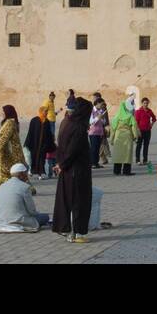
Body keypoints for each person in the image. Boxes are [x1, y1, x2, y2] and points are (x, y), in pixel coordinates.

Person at [53, 97, 93, 242]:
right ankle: (76, 233)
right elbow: (73, 150)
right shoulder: (79, 128)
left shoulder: (67, 123)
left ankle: (66, 229)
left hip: (68, 170)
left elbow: (61, 146)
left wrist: (60, 164)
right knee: (78, 202)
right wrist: (63, 164)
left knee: (67, 200)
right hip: (77, 171)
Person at [0, 163, 50, 231]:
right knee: (45, 217)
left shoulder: (2, 186)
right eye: (26, 173)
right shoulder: (25, 187)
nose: (27, 176)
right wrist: (37, 214)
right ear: (21, 175)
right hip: (18, 220)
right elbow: (31, 211)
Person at [0, 105, 24, 195]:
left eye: (3, 112)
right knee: (1, 170)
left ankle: (1, 188)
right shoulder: (8, 122)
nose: (2, 114)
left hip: (10, 153)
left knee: (8, 171)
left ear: (8, 113)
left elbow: (4, 138)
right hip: (5, 151)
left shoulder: (10, 123)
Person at [109, 98, 139, 175]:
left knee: (118, 154)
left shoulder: (116, 117)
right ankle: (126, 171)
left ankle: (116, 171)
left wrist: (111, 139)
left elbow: (113, 129)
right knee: (127, 154)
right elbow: (134, 126)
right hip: (127, 136)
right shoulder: (130, 116)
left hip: (118, 136)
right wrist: (135, 136)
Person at [24, 106, 51, 179]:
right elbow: (30, 132)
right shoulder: (34, 120)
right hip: (34, 144)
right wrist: (27, 143)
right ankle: (31, 170)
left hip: (43, 145)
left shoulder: (47, 122)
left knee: (42, 160)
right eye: (45, 111)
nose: (46, 113)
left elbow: (49, 134)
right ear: (41, 111)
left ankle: (40, 174)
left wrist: (49, 144)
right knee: (33, 158)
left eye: (47, 112)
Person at [88, 99, 108, 168]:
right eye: (101, 104)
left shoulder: (101, 111)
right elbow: (90, 122)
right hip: (93, 132)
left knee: (97, 148)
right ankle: (92, 163)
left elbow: (104, 122)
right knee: (93, 148)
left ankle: (96, 163)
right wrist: (97, 118)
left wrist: (102, 118)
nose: (102, 106)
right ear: (97, 103)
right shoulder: (92, 111)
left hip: (99, 132)